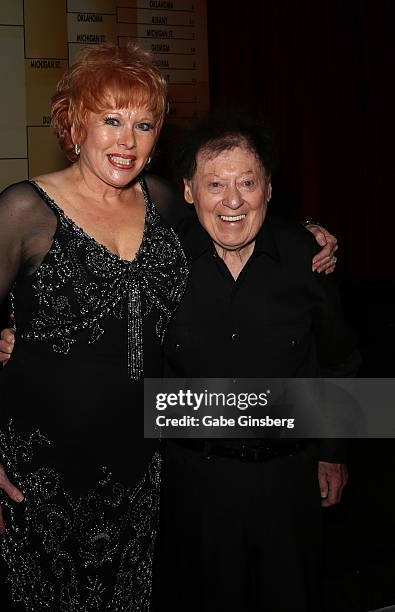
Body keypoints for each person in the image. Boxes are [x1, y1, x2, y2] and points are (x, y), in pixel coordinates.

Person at [0, 43, 189, 611]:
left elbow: (233, 216)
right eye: (111, 120)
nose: (127, 141)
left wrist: (308, 234)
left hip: (139, 458)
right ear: (76, 123)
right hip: (43, 466)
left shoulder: (163, 201)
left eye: (143, 124)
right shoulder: (25, 209)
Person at [159, 114, 361, 612]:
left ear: (269, 189)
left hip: (289, 482)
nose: (233, 200)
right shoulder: (157, 263)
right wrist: (28, 339)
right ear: (189, 192)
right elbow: (109, 341)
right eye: (215, 184)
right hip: (193, 485)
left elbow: (341, 360)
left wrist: (332, 451)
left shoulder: (308, 259)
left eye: (247, 182)